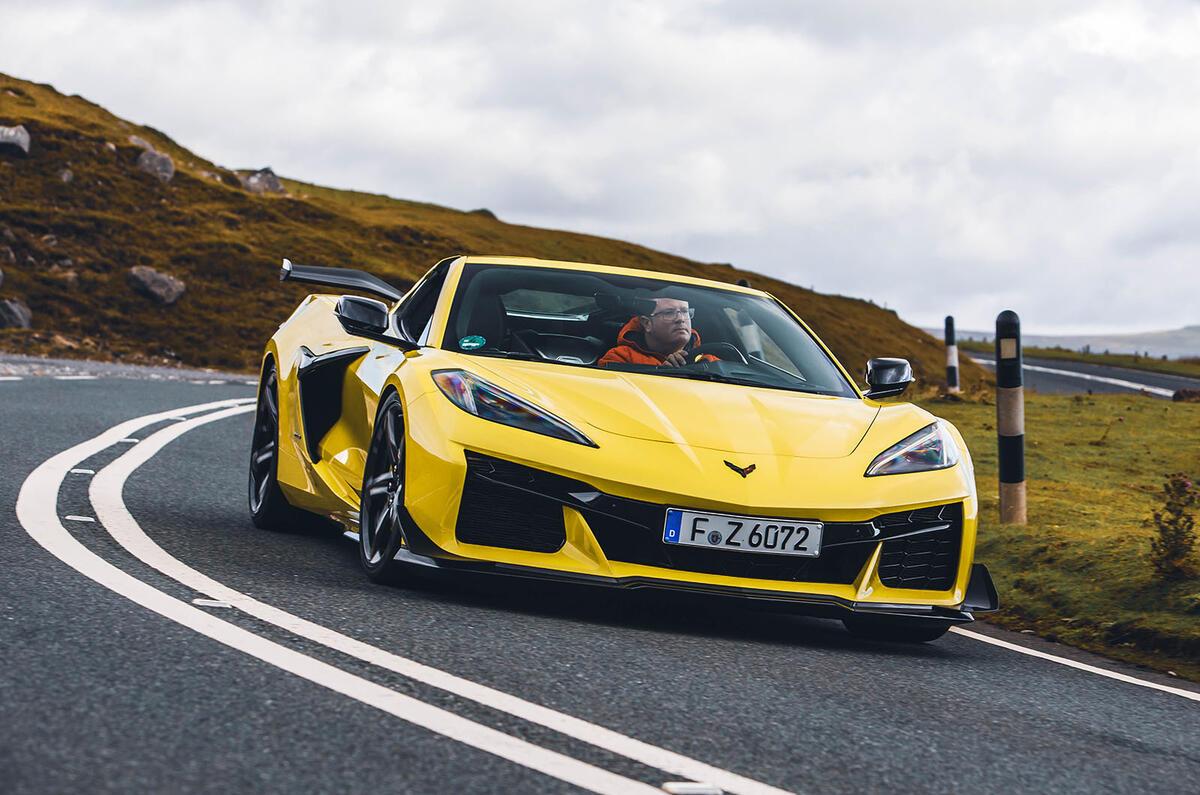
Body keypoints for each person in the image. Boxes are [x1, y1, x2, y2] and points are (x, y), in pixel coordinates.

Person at [598, 297, 714, 367]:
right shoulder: (620, 358)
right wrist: (664, 374)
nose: (681, 319)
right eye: (669, 313)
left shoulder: (710, 362)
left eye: (684, 312)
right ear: (647, 323)